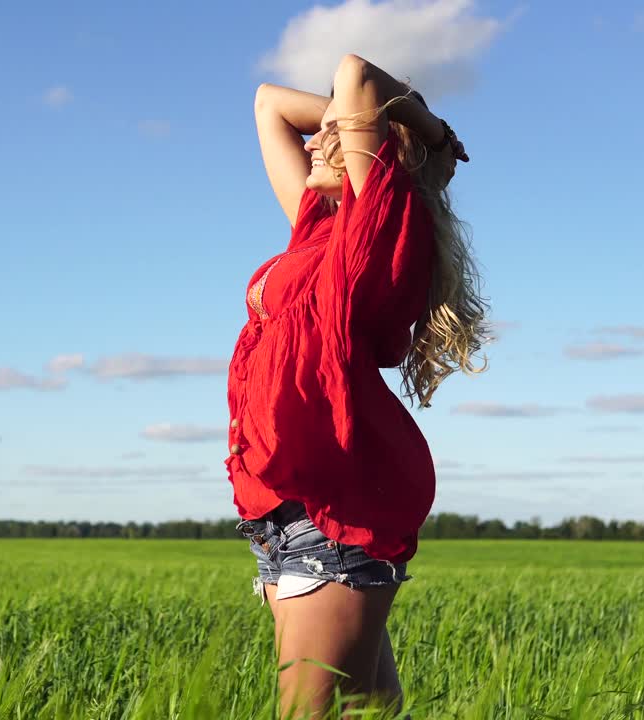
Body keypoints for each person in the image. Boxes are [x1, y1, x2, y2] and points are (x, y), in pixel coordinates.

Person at [227, 53, 487, 716]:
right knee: (365, 710)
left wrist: (425, 133)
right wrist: (355, 128)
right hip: (286, 514)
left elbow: (356, 74)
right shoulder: (318, 231)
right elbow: (269, 105)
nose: (315, 137)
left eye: (334, 131)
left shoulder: (379, 229)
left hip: (335, 513)